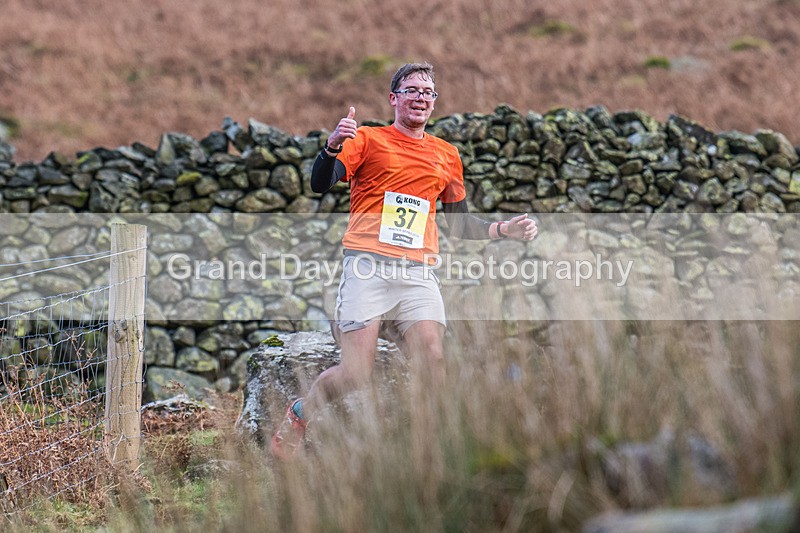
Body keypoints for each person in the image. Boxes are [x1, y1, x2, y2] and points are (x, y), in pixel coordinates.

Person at [271, 62, 537, 459]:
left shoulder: (446, 155)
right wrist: (331, 147)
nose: (420, 98)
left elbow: (459, 223)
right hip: (368, 268)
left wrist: (504, 230)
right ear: (394, 98)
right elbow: (319, 182)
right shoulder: (367, 139)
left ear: (434, 103)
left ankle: (428, 450)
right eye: (412, 90)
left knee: (433, 358)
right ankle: (300, 413)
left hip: (417, 273)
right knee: (355, 374)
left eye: (428, 92)